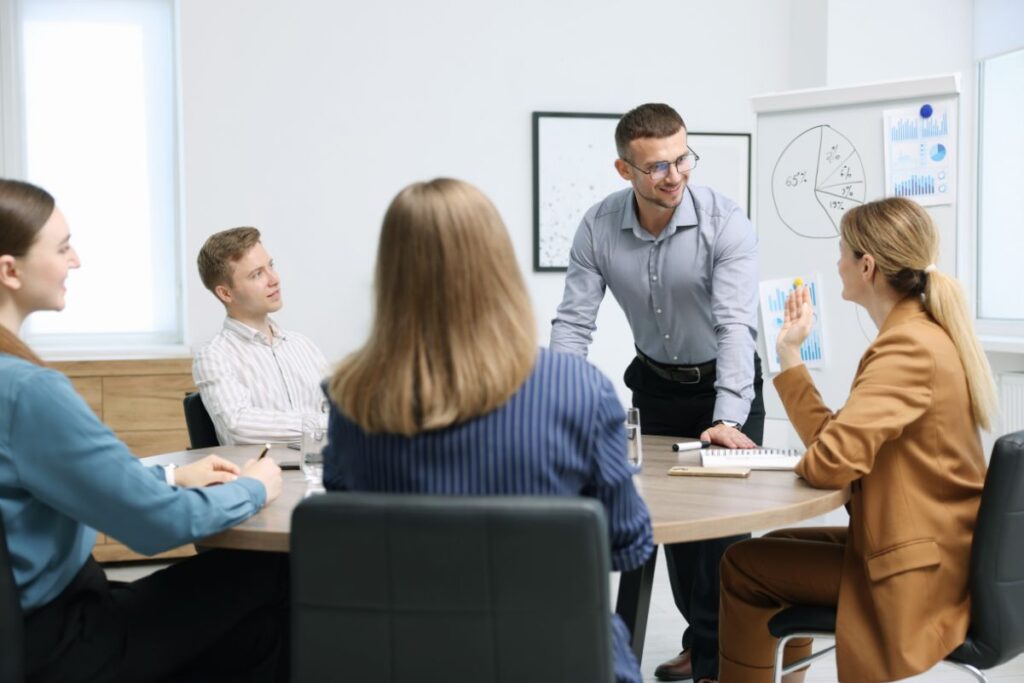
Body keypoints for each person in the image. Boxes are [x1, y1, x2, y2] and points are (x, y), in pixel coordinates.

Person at [322, 178, 654, 683]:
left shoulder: (352, 398)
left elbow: (350, 535)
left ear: (390, 274)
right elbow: (627, 544)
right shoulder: (579, 390)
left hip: (399, 658)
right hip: (555, 660)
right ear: (499, 268)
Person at [0, 178, 289, 682]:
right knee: (274, 574)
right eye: (63, 248)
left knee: (255, 629)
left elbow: (70, 489)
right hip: (67, 639)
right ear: (10, 270)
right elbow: (155, 527)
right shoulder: (28, 391)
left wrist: (172, 478)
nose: (76, 261)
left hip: (29, 631)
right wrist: (253, 487)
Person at [716, 197, 997, 683]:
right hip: (937, 550)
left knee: (743, 565)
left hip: (921, 573)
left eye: (842, 251)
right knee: (777, 544)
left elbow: (829, 462)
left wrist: (812, 461)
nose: (837, 262)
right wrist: (789, 353)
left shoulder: (906, 348)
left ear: (867, 266)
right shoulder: (919, 335)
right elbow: (834, 443)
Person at [549, 102, 763, 682]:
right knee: (670, 531)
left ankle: (723, 664)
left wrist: (727, 419)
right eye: (657, 167)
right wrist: (556, 404)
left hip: (727, 386)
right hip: (657, 388)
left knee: (721, 538)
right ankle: (702, 643)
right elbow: (573, 325)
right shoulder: (598, 226)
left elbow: (735, 327)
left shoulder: (725, 221)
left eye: (682, 158)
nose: (675, 175)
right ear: (625, 171)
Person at [194, 226, 329, 445]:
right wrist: (322, 424)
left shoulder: (303, 346)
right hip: (262, 475)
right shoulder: (214, 357)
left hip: (324, 472)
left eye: (271, 266)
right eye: (257, 274)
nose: (274, 279)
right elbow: (239, 426)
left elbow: (342, 412)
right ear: (226, 293)